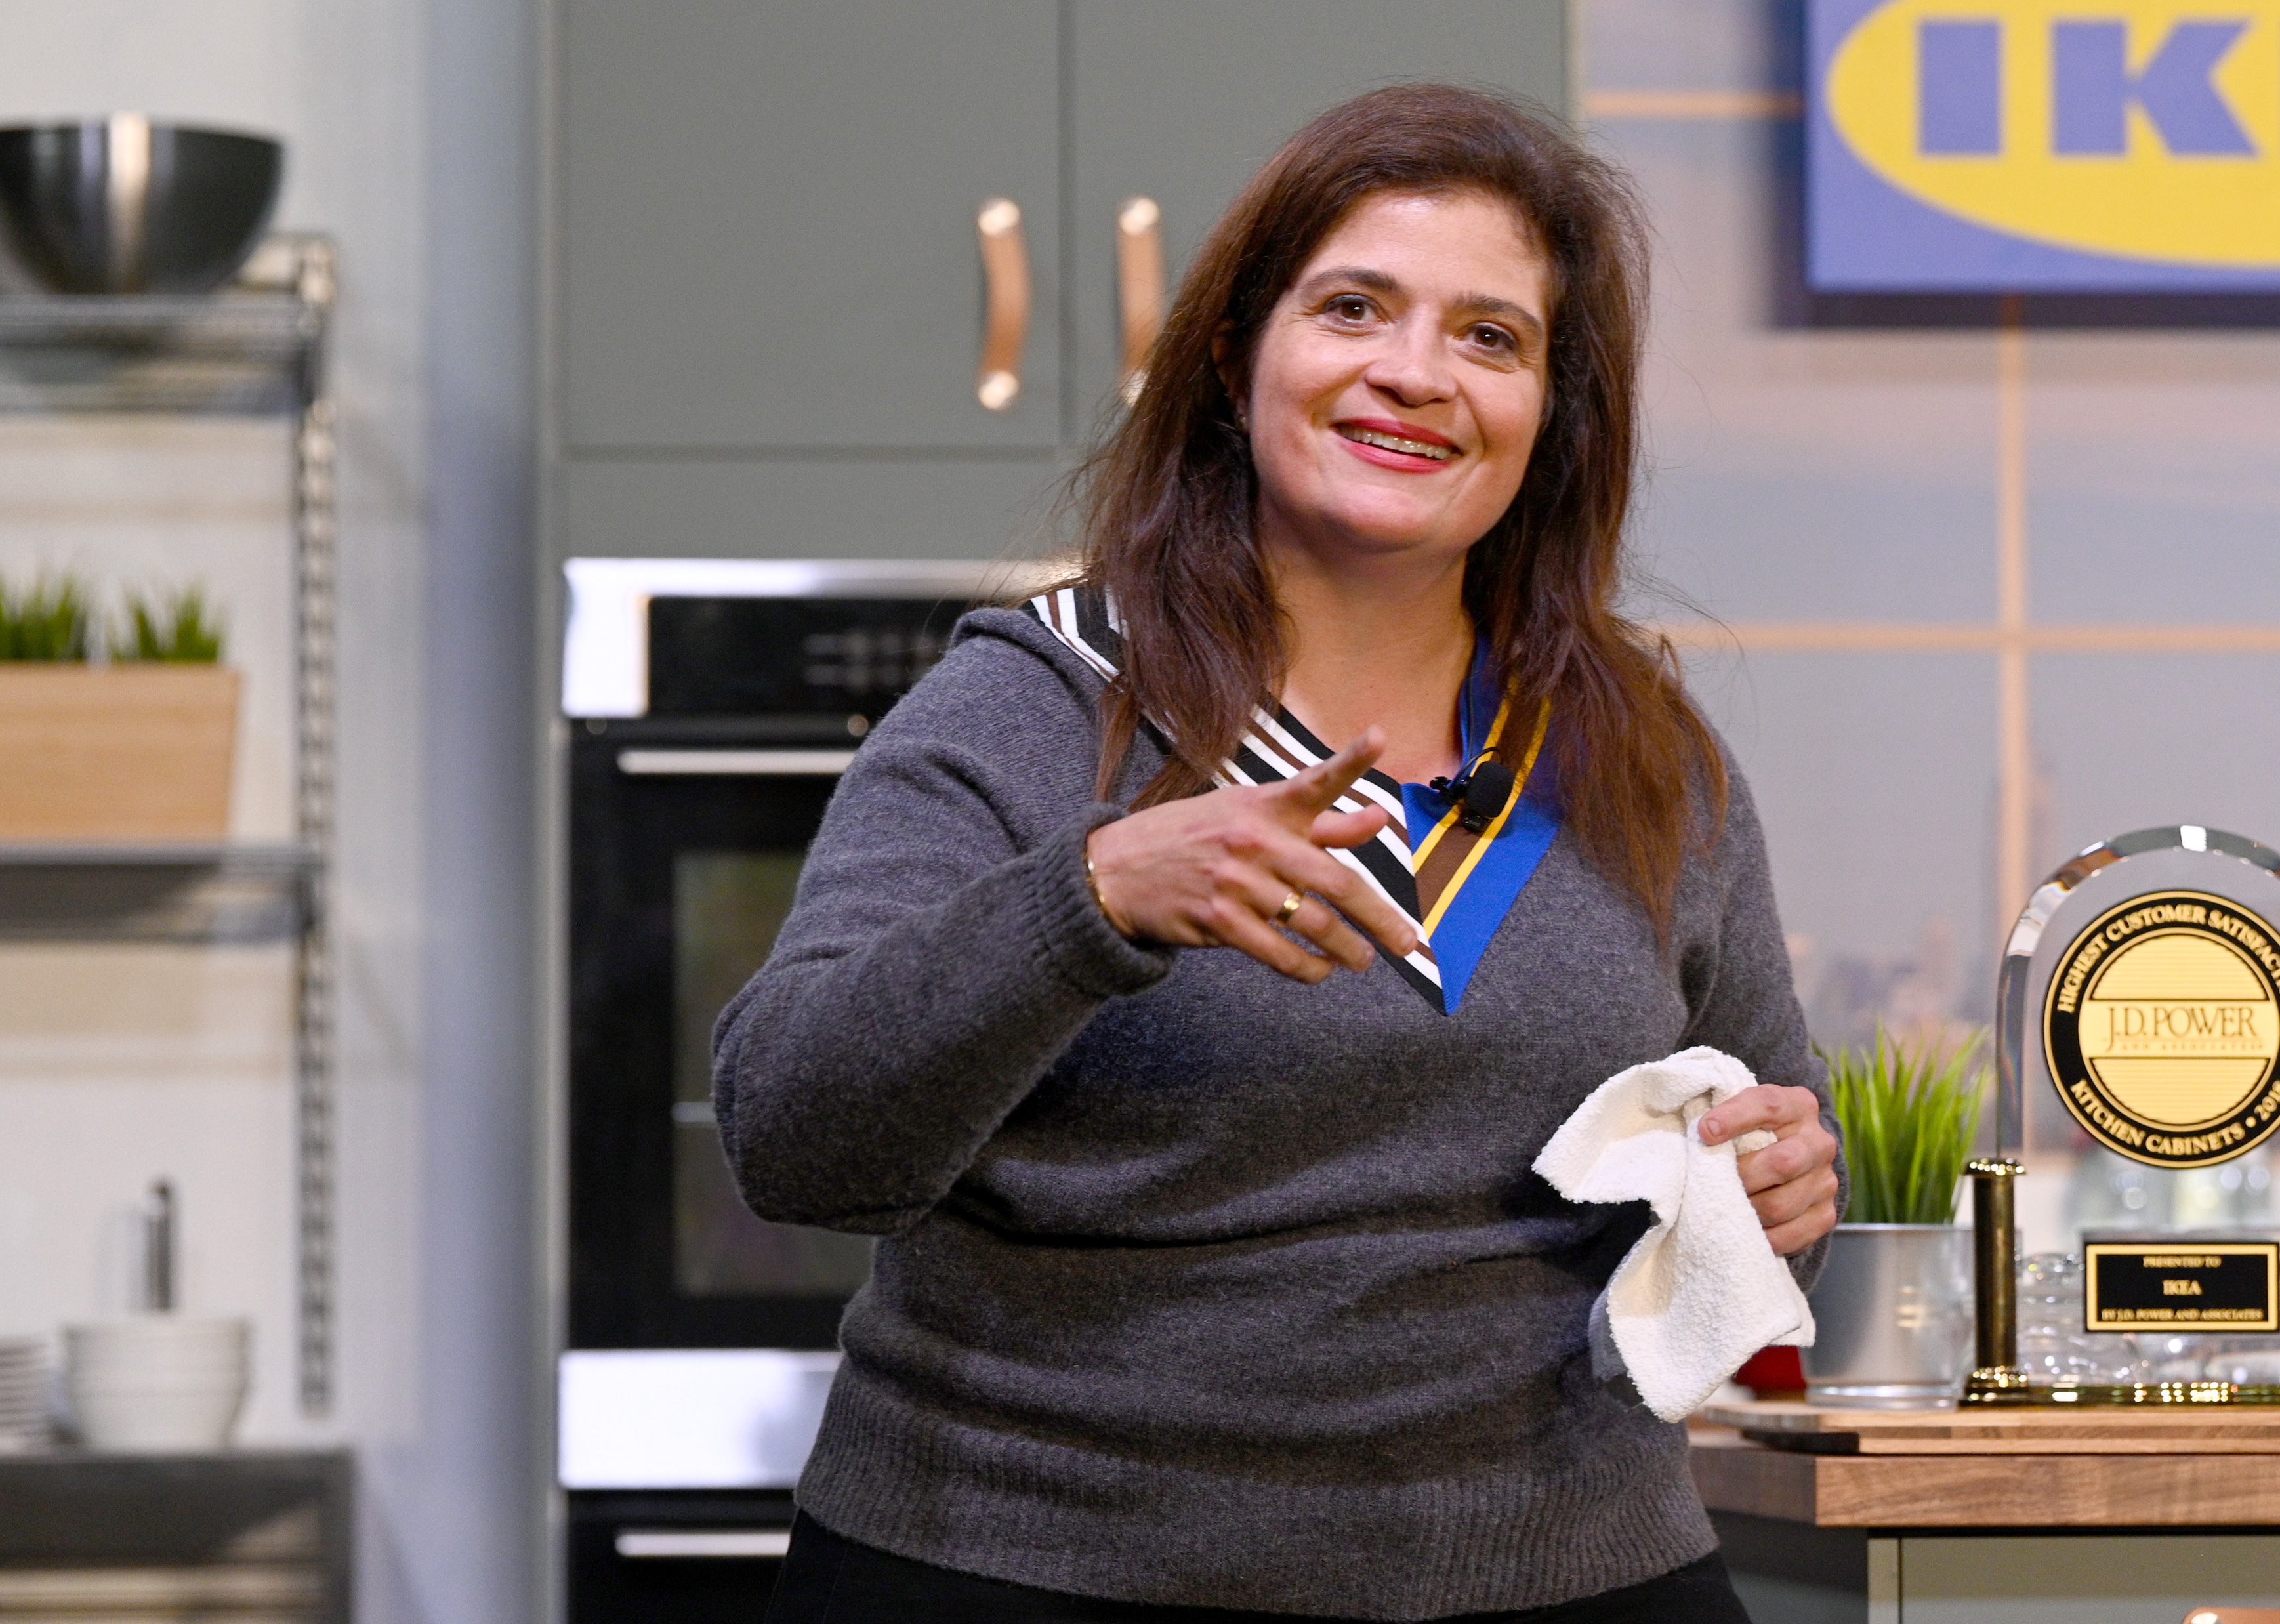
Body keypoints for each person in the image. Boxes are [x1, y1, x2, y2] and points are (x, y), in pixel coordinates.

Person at [718, 84, 1838, 1623]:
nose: (1411, 373)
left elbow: (1766, 1152)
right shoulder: (1036, 707)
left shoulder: (1642, 754)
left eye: (1488, 337)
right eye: (1353, 307)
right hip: (1031, 1567)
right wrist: (1090, 900)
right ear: (1238, 356)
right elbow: (792, 1139)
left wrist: (1777, 1180)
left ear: (1549, 417)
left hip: (1563, 1572)